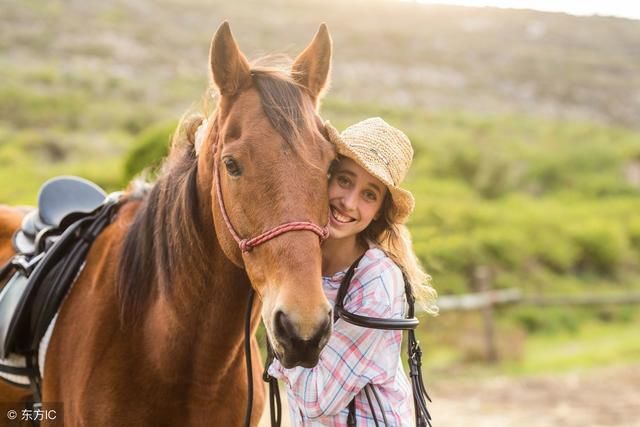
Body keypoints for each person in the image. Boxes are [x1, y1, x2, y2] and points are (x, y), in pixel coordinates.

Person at [268, 117, 438, 426]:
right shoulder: (303, 265)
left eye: (369, 194)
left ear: (377, 213)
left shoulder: (376, 281)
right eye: (345, 180)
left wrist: (280, 333)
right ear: (325, 177)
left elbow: (317, 400)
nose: (348, 203)